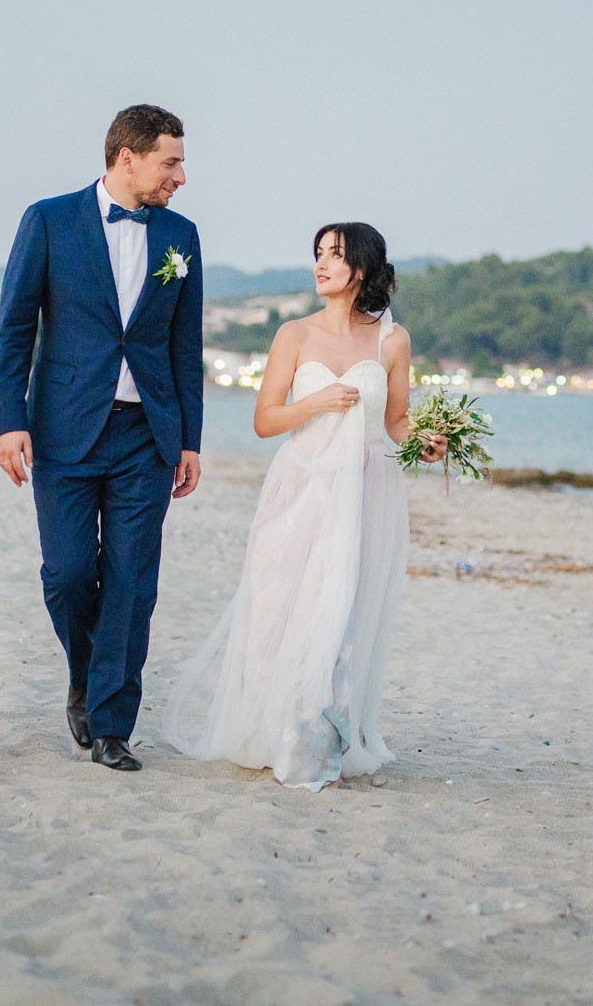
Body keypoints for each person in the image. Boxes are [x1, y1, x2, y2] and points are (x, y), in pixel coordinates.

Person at [163, 222, 443, 789]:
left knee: (338, 616)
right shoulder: (294, 334)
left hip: (364, 491)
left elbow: (394, 421)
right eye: (318, 253)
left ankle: (316, 747)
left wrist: (426, 441)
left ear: (360, 267)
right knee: (276, 609)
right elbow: (265, 420)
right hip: (299, 487)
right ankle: (269, 732)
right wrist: (315, 403)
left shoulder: (392, 341)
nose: (320, 264)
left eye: (334, 255)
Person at [0, 105, 204, 772]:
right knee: (69, 573)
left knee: (133, 583)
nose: (180, 177)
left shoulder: (181, 236)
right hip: (63, 428)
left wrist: (190, 438)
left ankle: (112, 726)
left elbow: (185, 345)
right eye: (171, 162)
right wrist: (9, 419)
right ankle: (85, 674)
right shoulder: (49, 220)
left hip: (148, 433)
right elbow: (14, 327)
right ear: (126, 157)